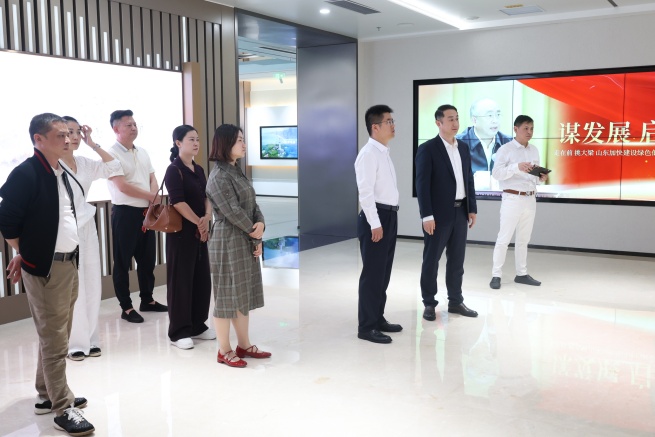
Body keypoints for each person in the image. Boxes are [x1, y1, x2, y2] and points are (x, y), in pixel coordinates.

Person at [0, 113, 95, 436]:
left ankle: (47, 393)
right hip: (46, 268)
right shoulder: (26, 173)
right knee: (55, 340)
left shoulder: (59, 170)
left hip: (68, 263)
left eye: (69, 134)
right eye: (60, 136)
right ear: (38, 140)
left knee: (56, 334)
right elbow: (7, 220)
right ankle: (63, 408)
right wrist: (25, 252)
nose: (68, 140)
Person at [206, 124, 270, 368]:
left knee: (242, 293)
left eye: (243, 139)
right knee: (226, 296)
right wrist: (255, 233)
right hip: (227, 240)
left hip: (243, 236)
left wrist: (260, 225)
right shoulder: (219, 176)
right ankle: (224, 350)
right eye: (239, 140)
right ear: (225, 144)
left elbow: (252, 204)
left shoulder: (235, 170)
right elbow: (232, 212)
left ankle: (244, 344)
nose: (244, 144)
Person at [60, 116, 123, 361]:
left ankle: (92, 338)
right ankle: (75, 343)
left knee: (92, 283)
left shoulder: (84, 162)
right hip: (65, 230)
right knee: (74, 287)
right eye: (69, 132)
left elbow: (114, 167)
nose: (75, 137)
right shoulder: (53, 165)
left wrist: (92, 144)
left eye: (78, 132)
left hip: (88, 227)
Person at [415, 104, 479, 321]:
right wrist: (427, 215)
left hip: (460, 212)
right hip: (437, 215)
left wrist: (472, 208)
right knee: (431, 260)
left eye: (457, 118)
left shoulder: (463, 148)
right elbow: (422, 185)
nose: (455, 123)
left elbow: (468, 179)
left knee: (457, 261)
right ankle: (429, 302)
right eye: (450, 119)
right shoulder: (428, 149)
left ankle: (455, 301)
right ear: (438, 123)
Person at [107, 109, 167, 323]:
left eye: (134, 124)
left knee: (148, 259)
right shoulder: (111, 154)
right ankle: (126, 307)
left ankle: (147, 300)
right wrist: (151, 196)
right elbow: (122, 186)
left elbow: (152, 177)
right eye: (128, 125)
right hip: (125, 214)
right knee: (122, 262)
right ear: (116, 129)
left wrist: (153, 198)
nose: (134, 128)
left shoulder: (142, 151)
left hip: (146, 212)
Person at [354, 104, 403, 345]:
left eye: (392, 121)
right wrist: (375, 223)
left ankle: (377, 318)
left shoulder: (383, 152)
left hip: (389, 216)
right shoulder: (368, 154)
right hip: (376, 217)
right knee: (373, 274)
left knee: (383, 273)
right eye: (388, 121)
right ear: (375, 127)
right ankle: (366, 326)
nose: (393, 125)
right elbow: (365, 192)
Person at [164, 125, 214, 349]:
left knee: (201, 279)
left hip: (200, 232)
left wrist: (207, 217)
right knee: (181, 281)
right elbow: (178, 202)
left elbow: (207, 196)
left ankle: (197, 325)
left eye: (197, 139)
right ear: (178, 143)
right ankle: (179, 331)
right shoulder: (174, 170)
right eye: (191, 139)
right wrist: (199, 222)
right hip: (181, 234)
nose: (196, 143)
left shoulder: (199, 169)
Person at [490, 115, 547, 289]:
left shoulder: (534, 150)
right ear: (516, 129)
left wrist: (540, 178)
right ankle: (496, 275)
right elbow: (496, 174)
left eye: (532, 128)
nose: (529, 132)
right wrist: (516, 167)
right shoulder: (505, 149)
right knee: (504, 238)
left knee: (524, 239)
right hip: (512, 198)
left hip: (530, 198)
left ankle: (521, 273)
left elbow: (533, 177)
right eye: (526, 128)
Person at [456, 98, 512, 189]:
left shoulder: (509, 142)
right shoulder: (458, 143)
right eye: (489, 115)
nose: (495, 120)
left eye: (498, 115)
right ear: (474, 120)